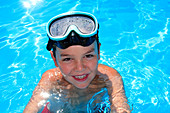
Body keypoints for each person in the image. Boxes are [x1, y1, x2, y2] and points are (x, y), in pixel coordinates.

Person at [23, 11, 131, 113]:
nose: (80, 68)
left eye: (88, 56)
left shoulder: (109, 77)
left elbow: (120, 105)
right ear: (54, 59)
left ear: (99, 52)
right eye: (68, 59)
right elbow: (32, 107)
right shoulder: (51, 79)